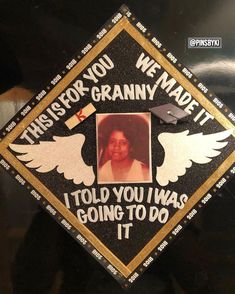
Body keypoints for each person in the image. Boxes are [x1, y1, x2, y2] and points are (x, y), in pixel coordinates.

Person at [97, 114, 150, 183]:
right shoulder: (100, 172)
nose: (116, 146)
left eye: (123, 143)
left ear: (131, 147)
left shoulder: (145, 173)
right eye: (112, 141)